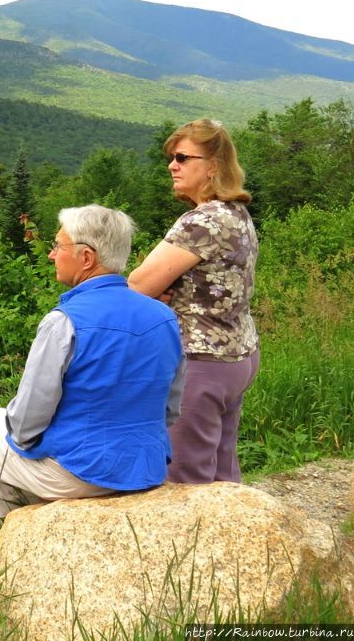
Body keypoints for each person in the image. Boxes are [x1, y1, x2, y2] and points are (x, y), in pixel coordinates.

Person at [0, 205, 185, 522]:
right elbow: (170, 410)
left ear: (86, 257)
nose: (51, 255)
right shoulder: (164, 317)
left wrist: (35, 446)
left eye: (58, 246)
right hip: (145, 468)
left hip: (84, 473)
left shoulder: (64, 322)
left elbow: (26, 424)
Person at [128, 118, 259, 484]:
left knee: (187, 477)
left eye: (183, 157)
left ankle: (196, 543)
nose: (173, 165)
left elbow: (138, 284)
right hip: (238, 353)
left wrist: (157, 291)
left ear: (213, 166)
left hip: (202, 362)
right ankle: (238, 537)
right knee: (222, 470)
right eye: (172, 157)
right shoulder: (236, 213)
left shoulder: (200, 221)